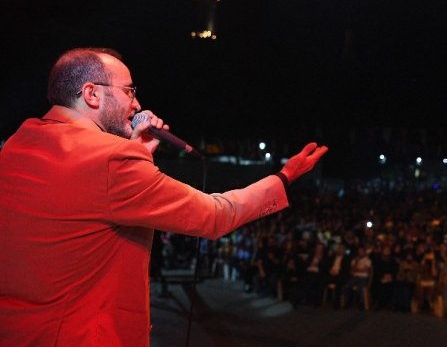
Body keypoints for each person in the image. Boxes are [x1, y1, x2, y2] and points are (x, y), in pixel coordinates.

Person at [0, 48, 328, 347]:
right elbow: (214, 215)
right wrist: (284, 178)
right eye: (129, 91)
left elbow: (83, 207)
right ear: (92, 94)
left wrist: (135, 153)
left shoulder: (18, 143)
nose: (136, 104)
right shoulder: (111, 158)